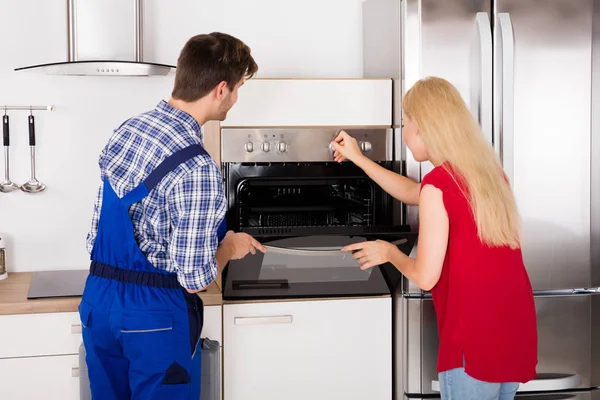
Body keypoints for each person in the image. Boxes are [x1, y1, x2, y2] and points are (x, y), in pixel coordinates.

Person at [80, 32, 266, 399]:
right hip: (152, 319)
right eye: (239, 88)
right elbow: (194, 278)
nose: (236, 99)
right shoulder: (198, 167)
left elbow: (95, 234)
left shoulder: (128, 130)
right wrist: (229, 246)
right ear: (221, 89)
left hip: (97, 303)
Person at [331, 76, 537, 400]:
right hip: (512, 334)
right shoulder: (488, 175)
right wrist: (359, 158)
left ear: (423, 127)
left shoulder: (439, 183)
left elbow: (426, 276)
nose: (405, 132)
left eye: (405, 123)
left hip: (472, 342)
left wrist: (389, 252)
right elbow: (415, 192)